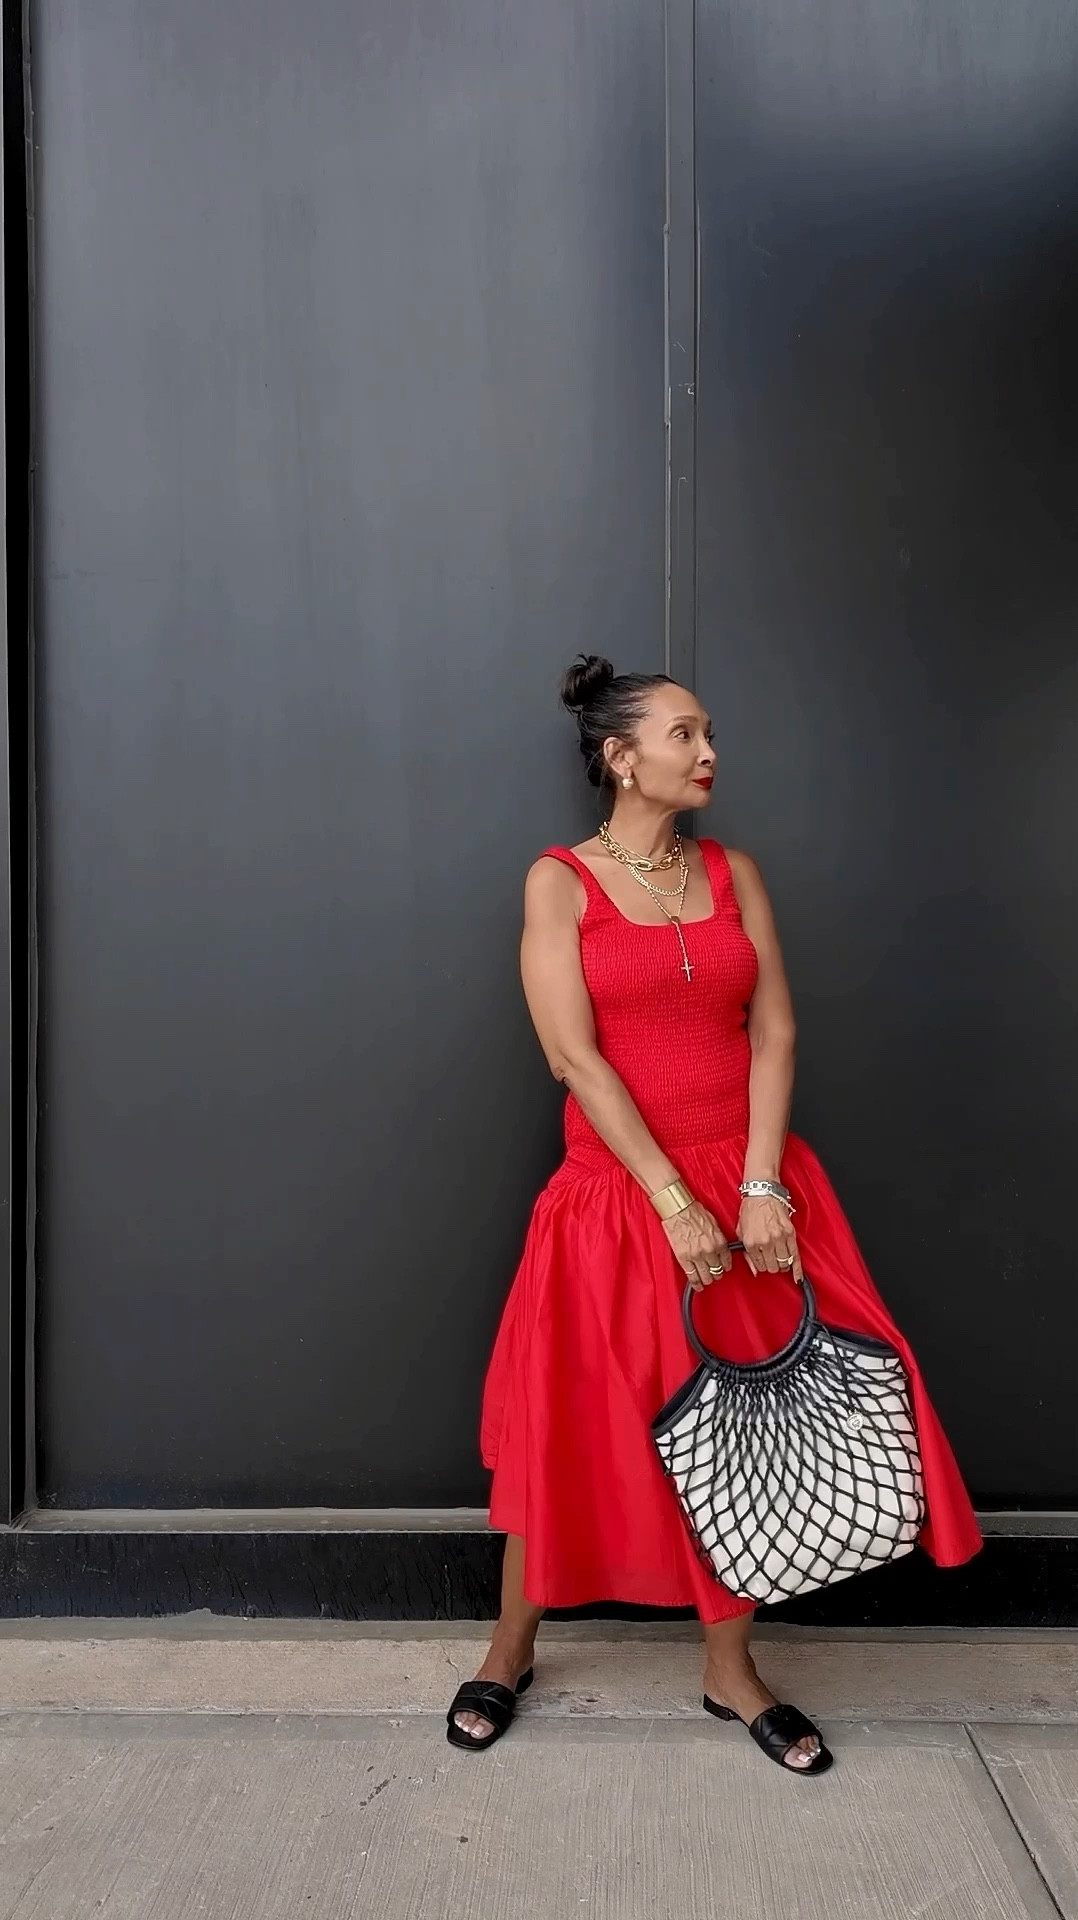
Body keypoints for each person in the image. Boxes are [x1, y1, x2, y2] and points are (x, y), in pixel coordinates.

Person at [445, 655, 983, 1775]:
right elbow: (571, 1055)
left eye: (708, 734)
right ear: (619, 755)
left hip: (750, 1194)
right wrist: (672, 1199)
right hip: (619, 1197)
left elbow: (774, 1032)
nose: (708, 754)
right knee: (569, 1427)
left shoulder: (734, 871)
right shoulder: (560, 881)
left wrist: (754, 1185)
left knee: (744, 1428)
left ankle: (728, 1670)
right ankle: (508, 1650)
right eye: (685, 734)